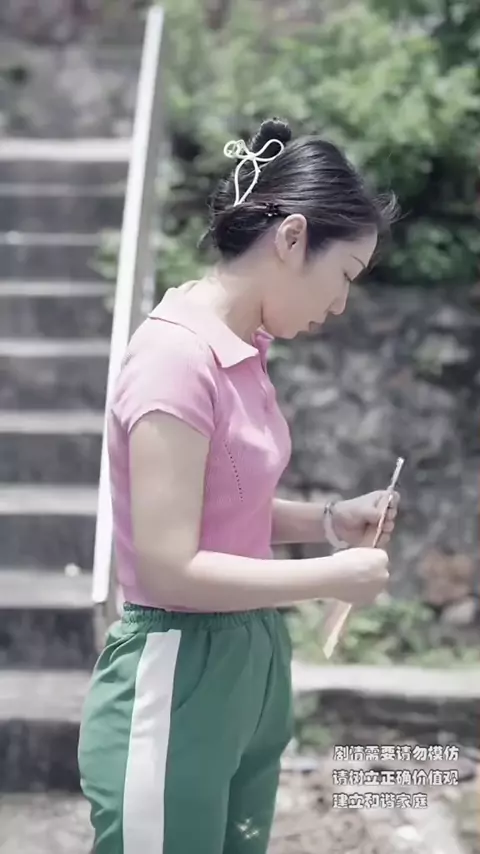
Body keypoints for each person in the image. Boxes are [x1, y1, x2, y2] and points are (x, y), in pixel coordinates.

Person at [78, 117, 399, 854]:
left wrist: (329, 520)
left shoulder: (243, 350)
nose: (341, 303)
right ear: (292, 238)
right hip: (179, 667)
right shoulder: (174, 358)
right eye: (344, 275)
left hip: (247, 660)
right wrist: (331, 577)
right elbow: (168, 567)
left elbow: (227, 508)